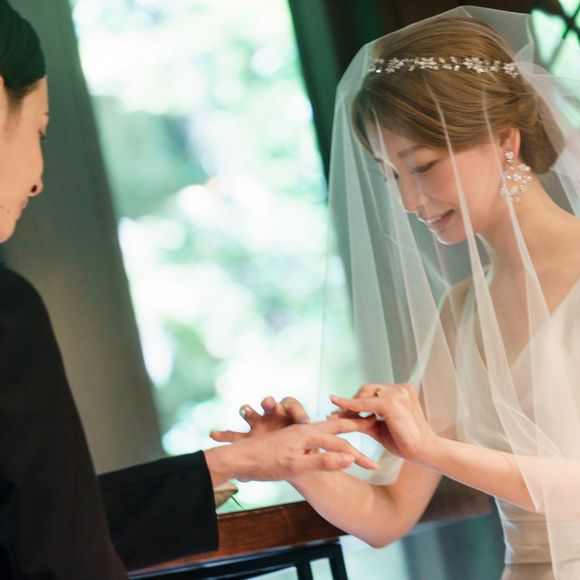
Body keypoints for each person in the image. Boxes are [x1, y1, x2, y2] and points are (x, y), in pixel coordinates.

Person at [0, 2, 378, 578]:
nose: (38, 178)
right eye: (39, 131)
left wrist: (230, 463)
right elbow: (59, 552)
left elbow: (35, 523)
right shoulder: (8, 311)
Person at [213, 7, 580, 580]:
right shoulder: (461, 312)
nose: (408, 201)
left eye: (423, 166)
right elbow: (387, 514)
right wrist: (296, 461)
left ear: (505, 140)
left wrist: (430, 446)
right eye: (391, 175)